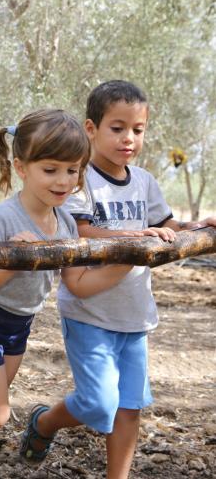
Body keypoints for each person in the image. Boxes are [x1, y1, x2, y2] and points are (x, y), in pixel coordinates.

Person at [19, 80, 216, 479]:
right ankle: (44, 422)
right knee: (97, 405)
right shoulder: (79, 178)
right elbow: (82, 233)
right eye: (117, 127)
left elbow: (166, 227)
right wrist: (134, 236)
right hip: (89, 312)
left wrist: (196, 228)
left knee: (129, 407)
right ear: (91, 129)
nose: (129, 138)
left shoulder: (144, 181)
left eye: (138, 130)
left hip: (135, 316)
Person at [0, 108, 135, 479]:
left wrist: (124, 266)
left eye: (72, 170)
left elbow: (78, 283)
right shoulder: (2, 219)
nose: (63, 181)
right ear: (22, 168)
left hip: (18, 325)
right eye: (50, 170)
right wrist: (13, 260)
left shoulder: (66, 222)